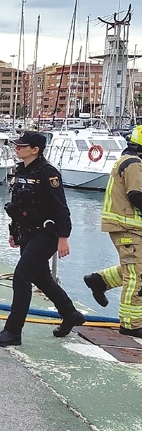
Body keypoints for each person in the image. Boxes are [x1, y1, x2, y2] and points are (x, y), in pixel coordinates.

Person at [0, 131, 85, 347]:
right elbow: (17, 205)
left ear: (35, 150)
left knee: (22, 276)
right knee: (41, 278)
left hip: (46, 234)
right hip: (27, 232)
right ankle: (70, 314)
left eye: (22, 146)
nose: (17, 148)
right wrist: (13, 231)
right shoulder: (21, 170)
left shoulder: (48, 173)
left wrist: (63, 237)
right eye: (17, 145)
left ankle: (13, 331)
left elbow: (61, 208)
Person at [84, 125, 142, 338]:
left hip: (128, 226)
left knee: (135, 267)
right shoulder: (133, 164)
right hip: (127, 226)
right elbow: (136, 195)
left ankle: (100, 280)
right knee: (137, 275)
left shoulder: (129, 161)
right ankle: (130, 324)